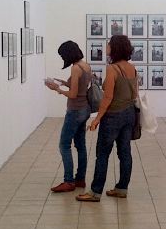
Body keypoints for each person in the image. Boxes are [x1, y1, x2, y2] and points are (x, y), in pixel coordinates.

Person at [76, 35, 138, 202]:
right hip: (129, 114)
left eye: (109, 44)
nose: (106, 47)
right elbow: (135, 94)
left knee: (102, 154)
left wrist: (97, 119)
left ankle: (95, 192)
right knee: (125, 153)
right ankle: (122, 188)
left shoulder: (112, 69)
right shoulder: (132, 68)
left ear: (115, 48)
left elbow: (108, 97)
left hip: (113, 117)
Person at [45, 41, 92, 193]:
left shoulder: (75, 68)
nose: (62, 58)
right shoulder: (85, 65)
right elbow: (80, 88)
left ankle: (68, 181)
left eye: (62, 55)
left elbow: (73, 94)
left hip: (75, 111)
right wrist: (64, 83)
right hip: (85, 109)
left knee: (64, 145)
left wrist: (57, 89)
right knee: (80, 145)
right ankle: (80, 179)